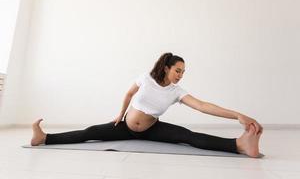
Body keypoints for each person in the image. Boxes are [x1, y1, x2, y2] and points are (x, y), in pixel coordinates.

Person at [31, 52, 263, 157]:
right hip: (126, 127)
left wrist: (238, 115)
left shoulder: (176, 91)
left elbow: (203, 105)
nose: (181, 75)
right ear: (166, 68)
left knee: (189, 137)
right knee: (91, 132)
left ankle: (240, 145)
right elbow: (128, 94)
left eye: (183, 72)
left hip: (152, 129)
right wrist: (119, 115)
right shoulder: (146, 78)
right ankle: (45, 138)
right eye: (177, 71)